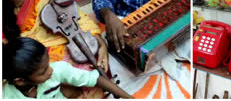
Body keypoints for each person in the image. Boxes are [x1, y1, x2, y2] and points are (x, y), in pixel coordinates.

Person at [2, 0, 109, 98]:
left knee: (92, 65)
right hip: (24, 56)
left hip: (59, 41)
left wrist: (101, 44)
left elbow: (75, 15)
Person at [2, 37, 133, 99]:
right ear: (20, 80)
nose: (50, 70)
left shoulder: (58, 69)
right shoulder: (7, 97)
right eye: (43, 71)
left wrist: (130, 98)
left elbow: (96, 79)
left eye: (48, 65)